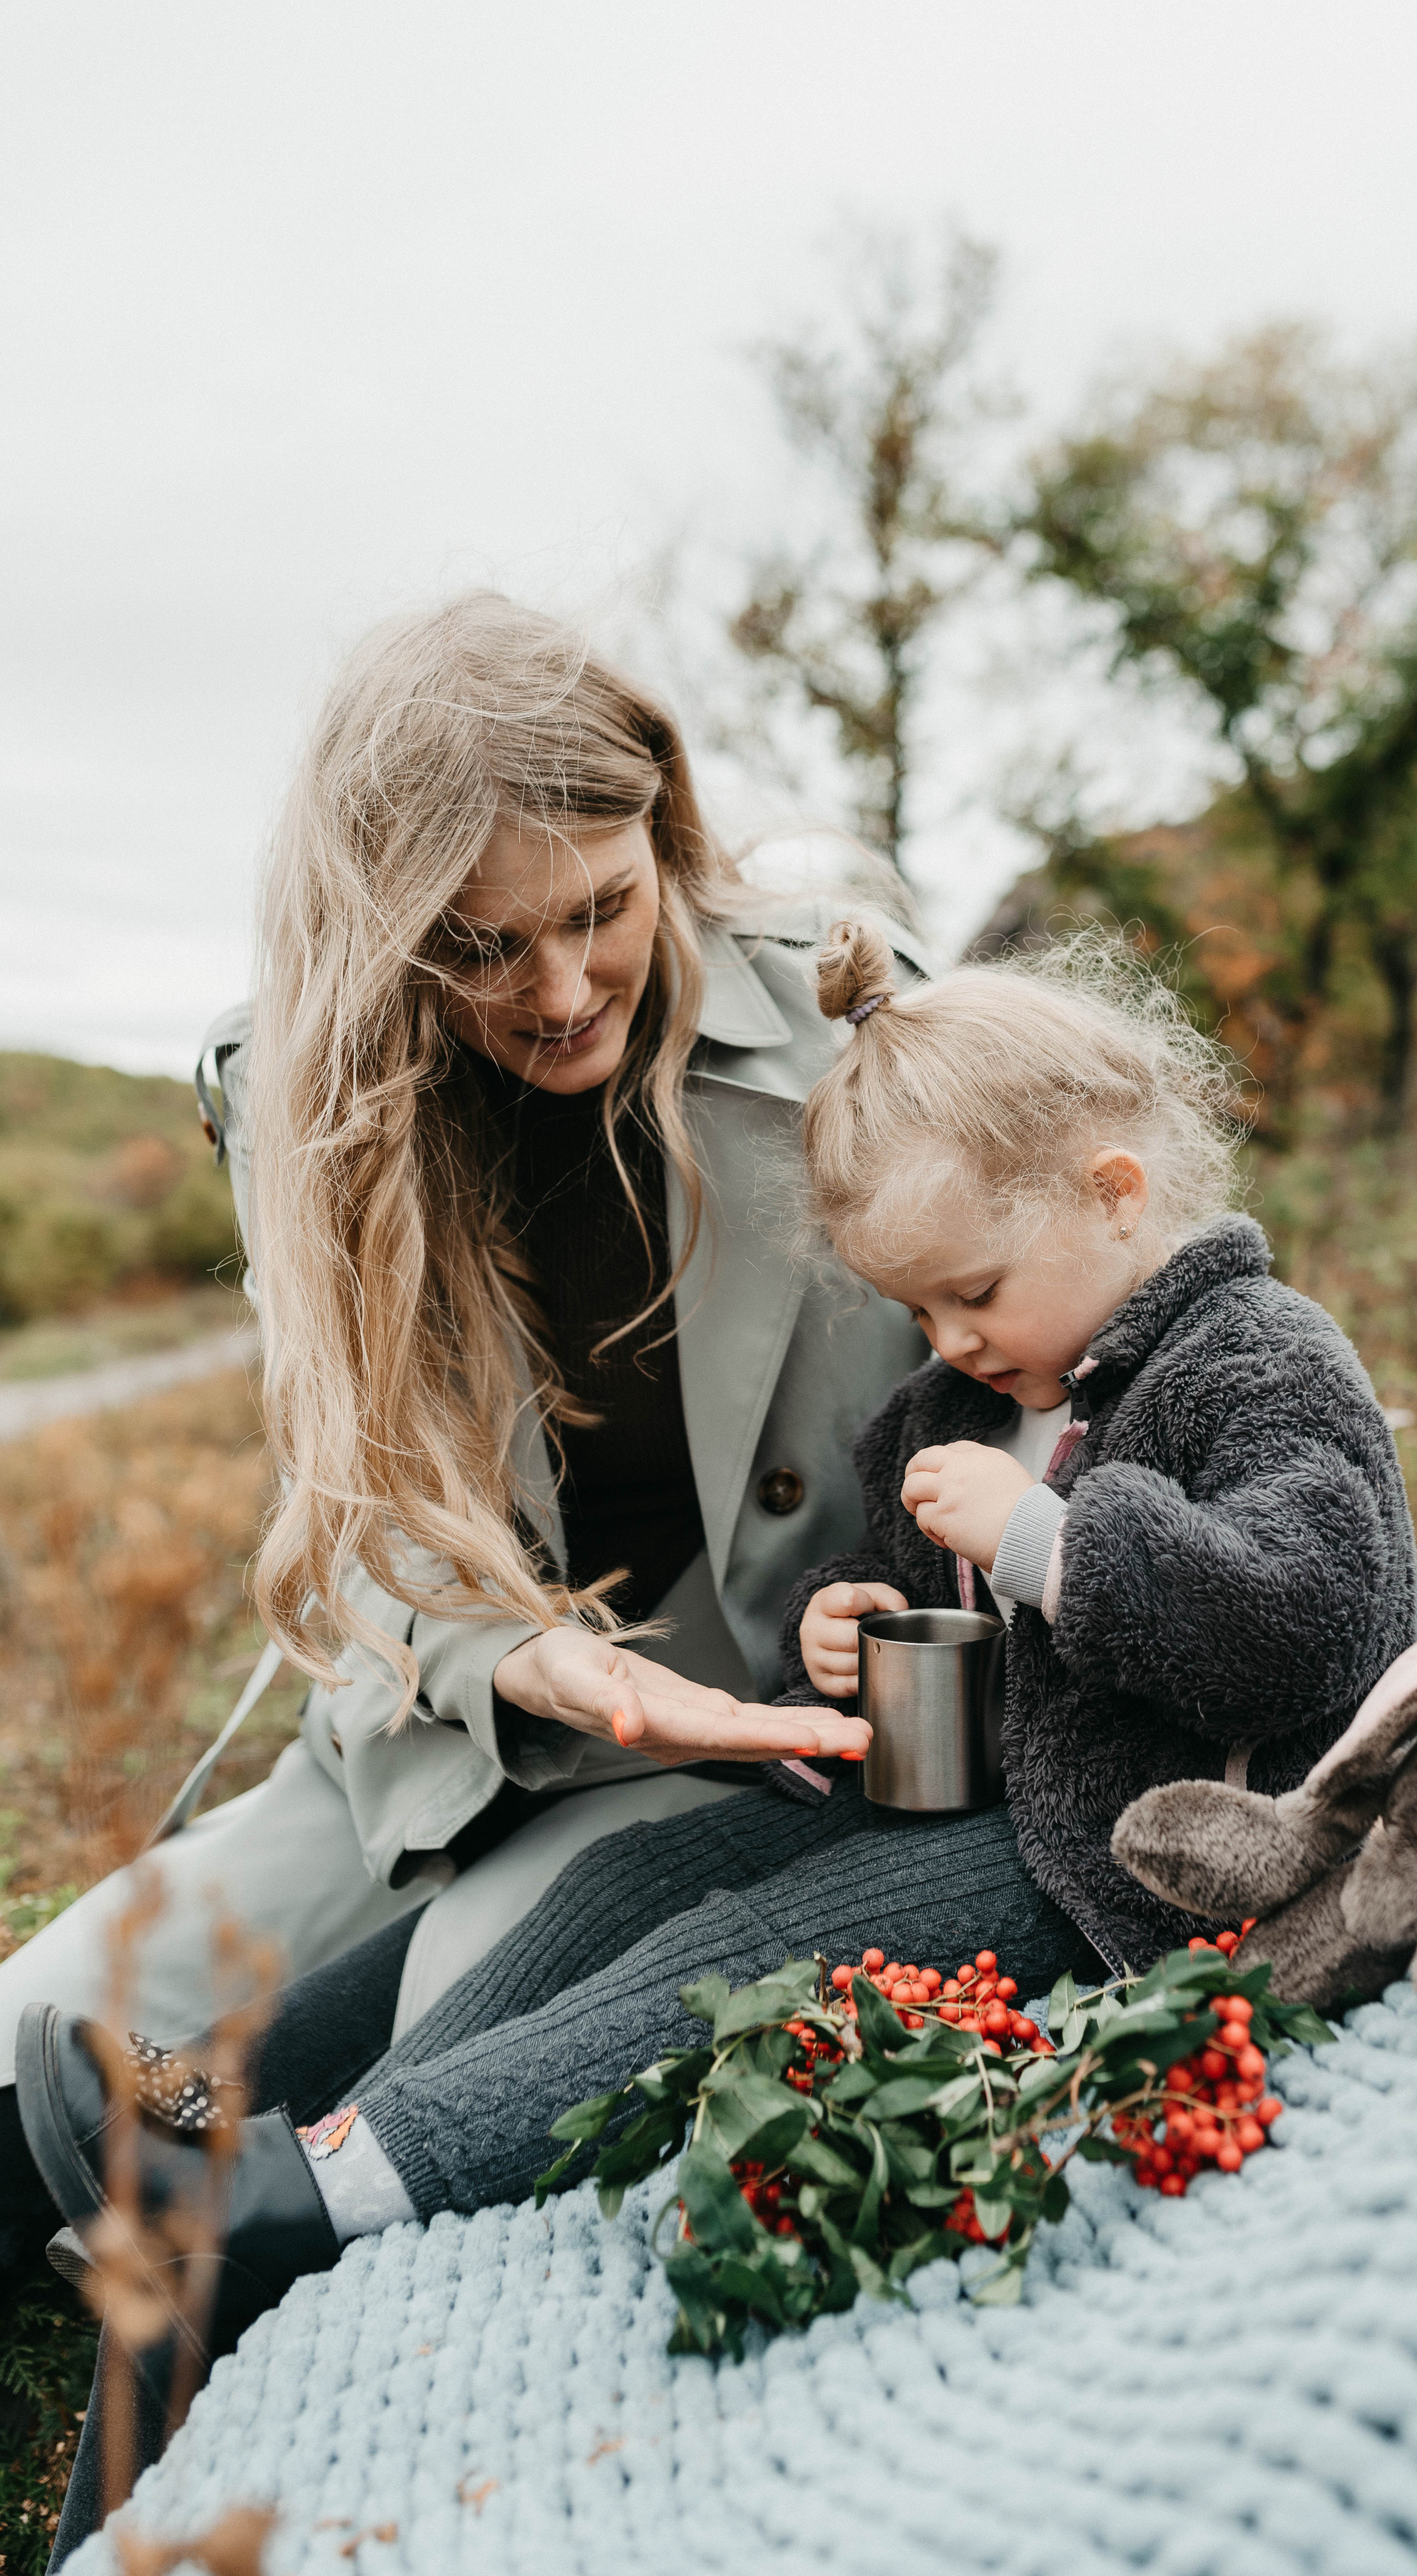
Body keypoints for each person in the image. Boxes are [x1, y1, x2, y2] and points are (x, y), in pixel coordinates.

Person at [0, 594, 926, 2278]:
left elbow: (1043, 1347)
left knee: (459, 2017)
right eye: (486, 947)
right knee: (34, 2042)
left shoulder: (849, 1017)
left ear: (667, 831)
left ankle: (251, 2233)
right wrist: (512, 1657)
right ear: (382, 932)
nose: (563, 988)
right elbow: (357, 1494)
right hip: (433, 1732)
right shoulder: (294, 1093)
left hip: (734, 1728)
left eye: (601, 909)